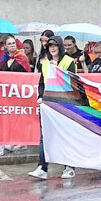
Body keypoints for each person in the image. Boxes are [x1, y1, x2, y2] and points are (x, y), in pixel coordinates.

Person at [29, 36, 77, 180]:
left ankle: (69, 167)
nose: (52, 48)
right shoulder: (45, 64)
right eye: (50, 46)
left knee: (66, 136)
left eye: (55, 45)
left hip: (64, 104)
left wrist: (56, 69)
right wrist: (40, 96)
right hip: (48, 104)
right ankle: (42, 167)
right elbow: (42, 82)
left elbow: (72, 83)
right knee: (44, 137)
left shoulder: (68, 62)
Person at [0, 34, 31, 156]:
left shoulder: (22, 58)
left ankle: (20, 141)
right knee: (8, 118)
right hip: (6, 94)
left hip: (19, 93)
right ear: (5, 46)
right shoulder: (3, 59)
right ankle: (8, 140)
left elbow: (27, 75)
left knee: (19, 117)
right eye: (9, 44)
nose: (12, 45)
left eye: (13, 43)